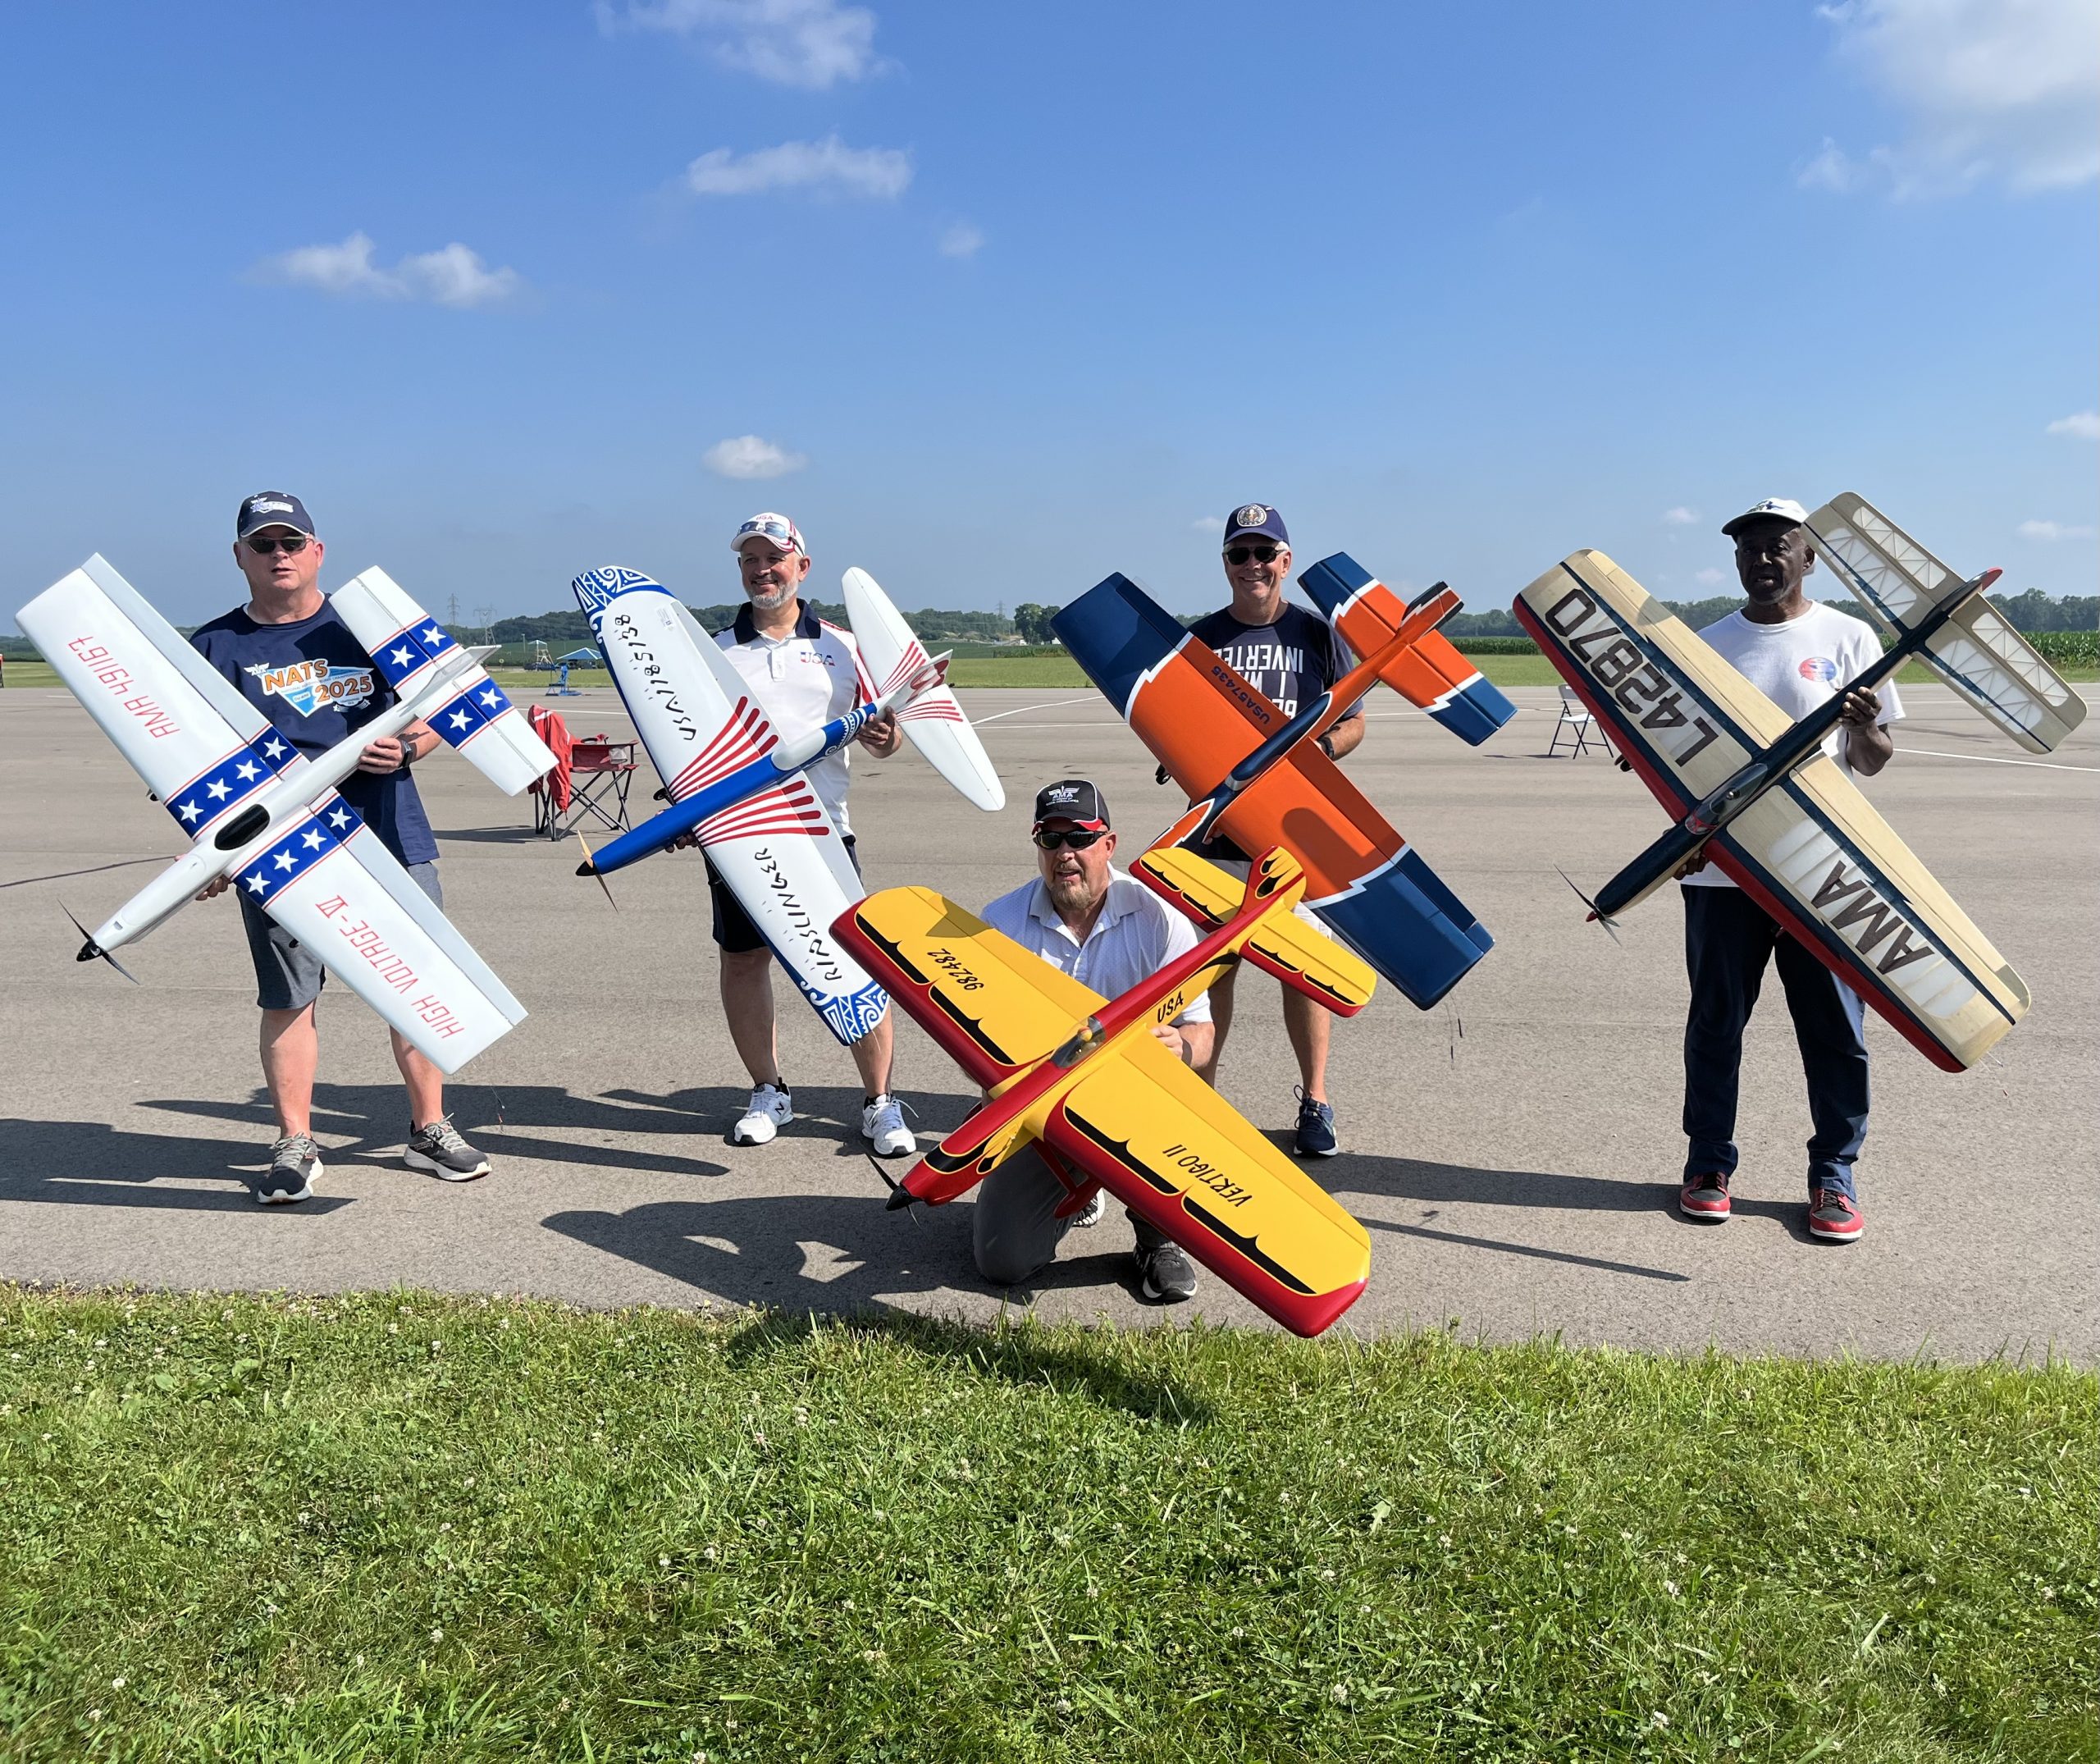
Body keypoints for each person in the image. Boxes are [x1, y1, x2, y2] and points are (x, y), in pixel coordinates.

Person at [191, 491, 491, 1203]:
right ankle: (296, 1140)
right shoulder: (213, 646)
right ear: (240, 556)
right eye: (264, 544)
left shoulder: (370, 628)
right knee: (289, 996)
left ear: (318, 550)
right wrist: (211, 848)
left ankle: (429, 1127)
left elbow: (446, 709)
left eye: (292, 542)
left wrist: (408, 747)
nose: (279, 555)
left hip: (389, 831)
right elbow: (191, 762)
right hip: (280, 847)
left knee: (416, 985)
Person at [1676, 497, 1902, 1243]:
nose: (1763, 559)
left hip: (1821, 871)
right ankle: (1708, 1165)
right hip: (1724, 872)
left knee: (1836, 1030)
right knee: (1716, 1024)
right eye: (1749, 548)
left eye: (1779, 546)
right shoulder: (1704, 645)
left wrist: (1864, 726)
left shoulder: (1850, 636)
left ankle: (1834, 1175)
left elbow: (1873, 760)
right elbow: (1677, 759)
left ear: (1810, 557)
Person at [708, 511, 915, 1156]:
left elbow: (885, 738)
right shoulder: (712, 651)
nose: (762, 570)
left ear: (801, 566)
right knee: (744, 960)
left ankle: (879, 1102)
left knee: (857, 959)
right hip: (737, 833)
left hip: (824, 830)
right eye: (750, 559)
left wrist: (886, 736)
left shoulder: (846, 646)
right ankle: (768, 1091)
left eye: (774, 558)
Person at [975, 780, 1215, 1302]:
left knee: (1180, 1090)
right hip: (1045, 1103)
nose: (1065, 853)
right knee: (1002, 1263)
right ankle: (1078, 1182)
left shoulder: (1161, 919)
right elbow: (980, 1041)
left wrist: (1180, 1048)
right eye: (1050, 838)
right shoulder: (999, 925)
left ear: (1108, 844)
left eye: (1080, 838)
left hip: (1137, 1097)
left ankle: (1156, 1239)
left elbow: (1202, 1033)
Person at [1185, 502, 1363, 1158]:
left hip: (1296, 837)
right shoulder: (1199, 641)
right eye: (1240, 554)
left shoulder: (1319, 635)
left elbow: (1354, 721)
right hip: (1218, 837)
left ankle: (1315, 1100)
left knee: (1302, 970)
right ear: (1225, 563)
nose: (1253, 565)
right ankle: (1202, 1098)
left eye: (1265, 553)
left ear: (1286, 562)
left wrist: (1320, 754)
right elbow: (1177, 724)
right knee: (1212, 971)